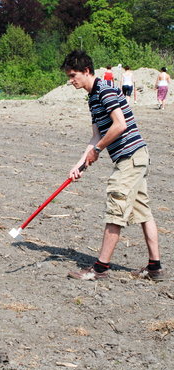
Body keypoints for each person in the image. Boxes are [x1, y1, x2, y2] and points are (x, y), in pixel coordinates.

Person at [60, 50, 164, 281]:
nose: (71, 80)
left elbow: (120, 125)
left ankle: (100, 269)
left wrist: (97, 151)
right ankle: (155, 268)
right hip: (133, 158)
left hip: (131, 157)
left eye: (73, 75)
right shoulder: (92, 98)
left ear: (87, 71)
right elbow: (96, 136)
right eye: (68, 76)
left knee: (115, 209)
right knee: (143, 211)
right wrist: (79, 164)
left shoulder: (105, 90)